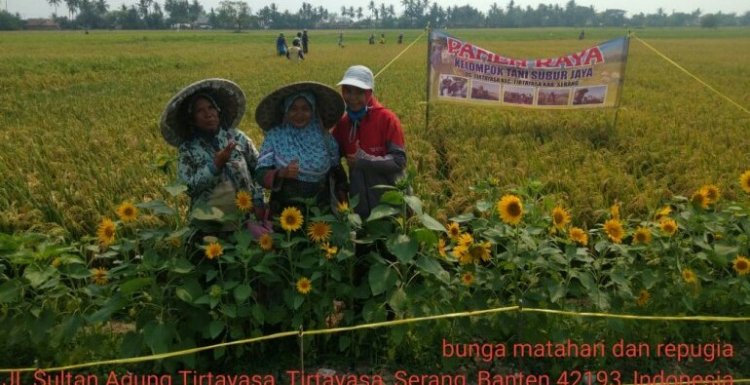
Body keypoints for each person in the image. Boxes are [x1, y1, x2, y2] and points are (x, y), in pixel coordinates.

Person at [160, 78, 264, 235]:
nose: (208, 114)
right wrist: (215, 166)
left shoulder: (237, 138)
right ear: (192, 118)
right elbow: (188, 187)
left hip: (246, 217)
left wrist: (258, 199)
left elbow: (258, 169)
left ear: (218, 111)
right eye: (200, 111)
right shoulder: (188, 149)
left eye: (211, 108)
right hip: (211, 225)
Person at [254, 82, 347, 216]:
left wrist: (343, 199)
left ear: (313, 110)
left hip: (321, 213)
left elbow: (337, 173)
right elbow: (260, 173)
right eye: (293, 108)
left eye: (305, 109)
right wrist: (281, 173)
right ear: (286, 110)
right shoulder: (275, 137)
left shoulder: (325, 138)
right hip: (284, 214)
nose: (299, 114)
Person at [332, 65, 407, 219]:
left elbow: (399, 161)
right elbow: (333, 159)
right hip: (361, 211)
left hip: (390, 207)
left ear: (370, 93)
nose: (352, 98)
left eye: (359, 92)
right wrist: (341, 186)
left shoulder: (387, 119)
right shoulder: (343, 124)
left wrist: (364, 161)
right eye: (348, 91)